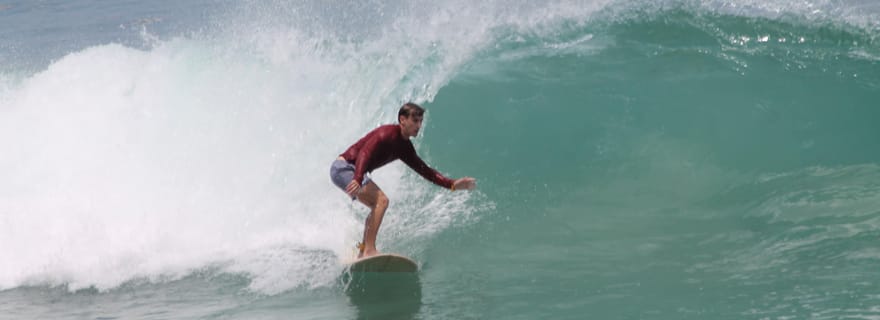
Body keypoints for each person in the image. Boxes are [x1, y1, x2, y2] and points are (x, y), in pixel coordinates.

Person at [330, 102, 476, 258]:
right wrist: (358, 178)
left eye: (420, 121)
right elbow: (364, 153)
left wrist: (452, 184)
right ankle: (369, 250)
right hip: (344, 168)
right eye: (415, 121)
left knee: (376, 205)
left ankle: (363, 250)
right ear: (402, 120)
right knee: (382, 201)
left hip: (352, 171)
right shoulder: (386, 134)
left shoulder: (404, 147)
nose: (419, 125)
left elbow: (425, 171)